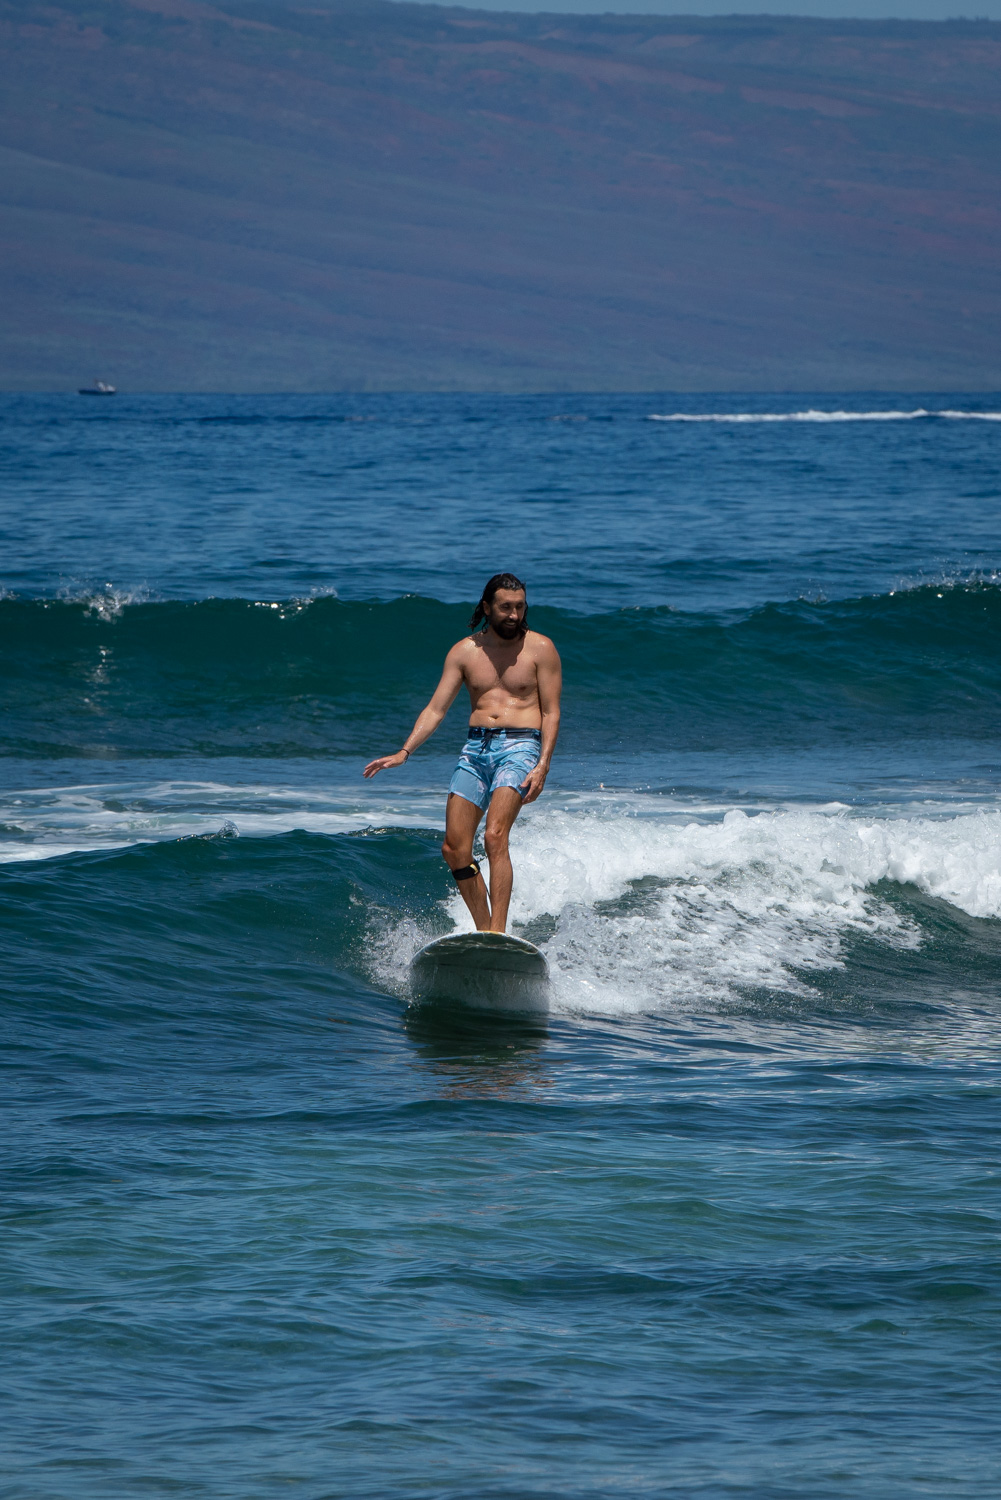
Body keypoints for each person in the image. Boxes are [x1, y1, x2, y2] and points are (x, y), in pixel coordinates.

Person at [363, 573, 561, 934]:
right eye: (505, 607)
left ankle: (498, 933)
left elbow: (551, 712)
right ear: (487, 607)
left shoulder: (541, 649)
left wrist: (543, 765)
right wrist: (405, 751)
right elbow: (436, 709)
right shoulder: (464, 652)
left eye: (520, 607)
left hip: (522, 746)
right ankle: (484, 931)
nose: (514, 615)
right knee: (454, 849)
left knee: (495, 835)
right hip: (476, 749)